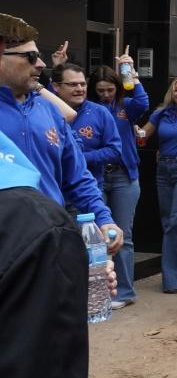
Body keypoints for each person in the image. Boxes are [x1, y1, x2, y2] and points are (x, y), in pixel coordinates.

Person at [0, 16, 123, 252]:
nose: (40, 64)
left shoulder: (49, 111)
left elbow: (76, 176)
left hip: (49, 241)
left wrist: (103, 218)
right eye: (31, 57)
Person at [89, 59, 149, 308]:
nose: (105, 95)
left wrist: (131, 75)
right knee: (96, 236)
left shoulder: (126, 106)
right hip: (96, 177)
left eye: (109, 90)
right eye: (101, 90)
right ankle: (100, 292)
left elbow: (143, 101)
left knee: (122, 233)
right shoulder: (87, 109)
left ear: (117, 88)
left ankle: (124, 292)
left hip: (124, 175)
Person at [140, 77, 177, 293]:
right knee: (169, 222)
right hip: (164, 169)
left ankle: (173, 280)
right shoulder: (162, 113)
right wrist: (133, 131)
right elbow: (144, 133)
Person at [52, 63, 123, 191]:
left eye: (83, 84)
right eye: (73, 84)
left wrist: (79, 158)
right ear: (56, 86)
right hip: (53, 189)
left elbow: (115, 150)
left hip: (87, 189)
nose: (80, 89)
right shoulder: (44, 111)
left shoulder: (100, 112)